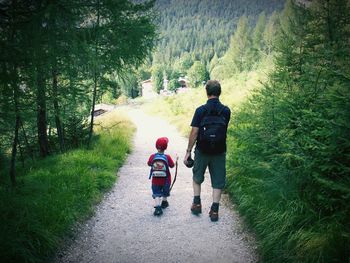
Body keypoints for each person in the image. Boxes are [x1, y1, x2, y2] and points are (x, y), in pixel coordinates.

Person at [183, 80, 231, 222]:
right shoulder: (226, 111)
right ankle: (215, 211)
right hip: (219, 151)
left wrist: (188, 151)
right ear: (219, 92)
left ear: (207, 92)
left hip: (202, 150)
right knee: (218, 180)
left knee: (197, 177)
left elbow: (194, 132)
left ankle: (197, 204)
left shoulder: (200, 110)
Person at [148, 137, 176, 216]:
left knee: (156, 192)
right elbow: (172, 166)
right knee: (165, 190)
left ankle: (158, 208)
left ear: (156, 146)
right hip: (166, 179)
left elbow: (149, 163)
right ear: (166, 147)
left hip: (155, 180)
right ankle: (164, 201)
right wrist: (176, 160)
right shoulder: (167, 157)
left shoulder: (152, 156)